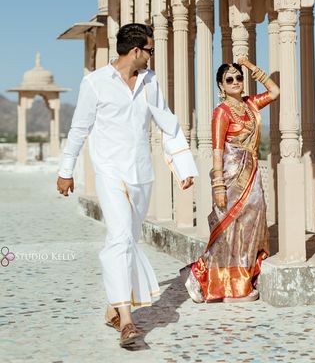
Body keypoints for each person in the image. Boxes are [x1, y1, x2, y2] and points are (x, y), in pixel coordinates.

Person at [56, 23, 197, 347]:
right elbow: (79, 129)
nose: (151, 55)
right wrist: (67, 171)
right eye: (149, 49)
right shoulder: (95, 84)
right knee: (119, 240)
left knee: (128, 243)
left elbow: (168, 122)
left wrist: (184, 166)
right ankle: (129, 323)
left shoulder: (150, 82)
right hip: (109, 172)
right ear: (135, 51)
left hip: (141, 174)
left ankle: (113, 308)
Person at [182, 58, 280, 303]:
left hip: (251, 173)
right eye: (230, 79)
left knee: (253, 217)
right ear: (221, 86)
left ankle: (240, 282)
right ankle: (201, 275)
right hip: (230, 175)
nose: (236, 81)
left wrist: (250, 66)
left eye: (238, 78)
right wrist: (218, 186)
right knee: (228, 228)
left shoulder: (251, 105)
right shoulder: (222, 112)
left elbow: (275, 91)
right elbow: (217, 150)